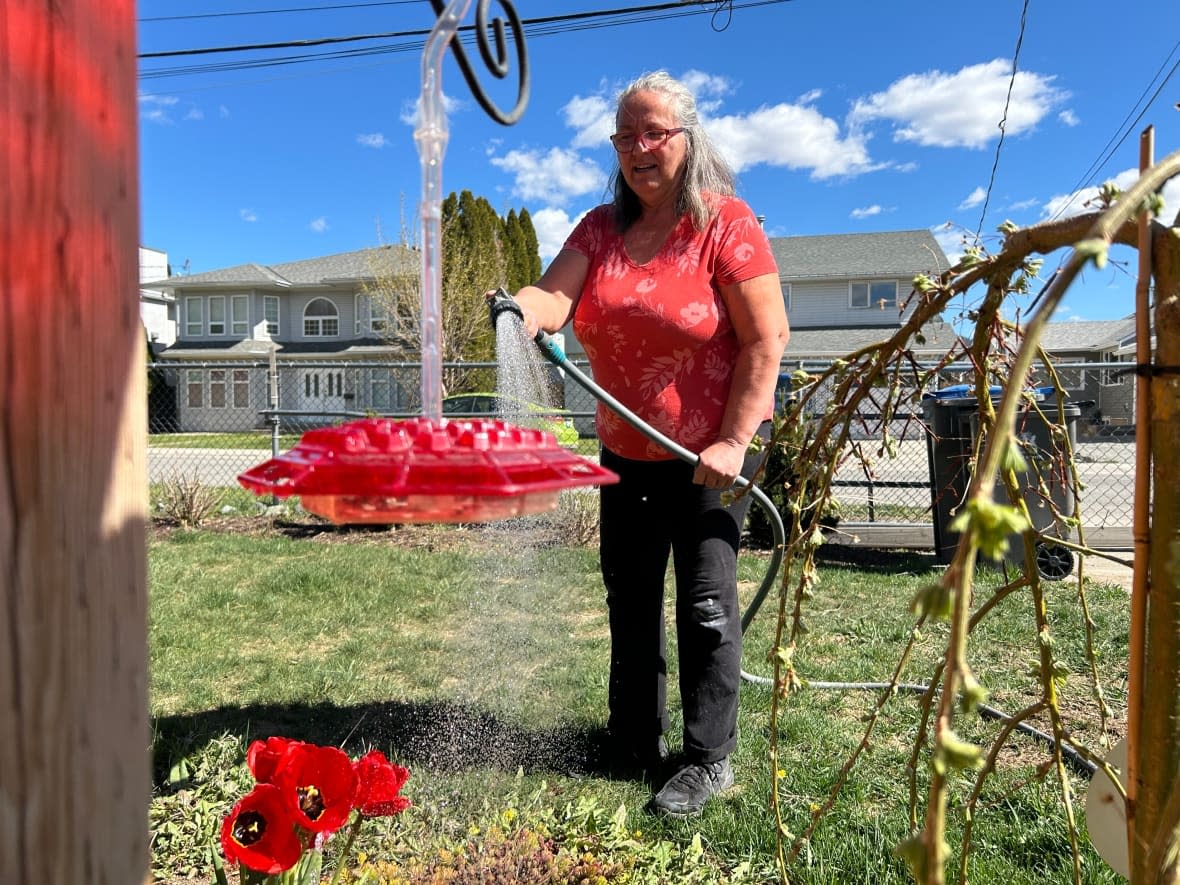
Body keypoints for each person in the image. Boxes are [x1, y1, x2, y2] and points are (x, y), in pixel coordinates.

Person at [498, 70, 789, 817]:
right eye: (624, 136)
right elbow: (554, 295)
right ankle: (631, 738)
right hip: (626, 455)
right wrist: (520, 308)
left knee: (705, 609)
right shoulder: (600, 229)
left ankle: (706, 757)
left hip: (708, 460)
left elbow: (767, 338)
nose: (637, 148)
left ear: (687, 139)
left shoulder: (726, 224)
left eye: (652, 132)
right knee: (630, 599)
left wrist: (733, 439)